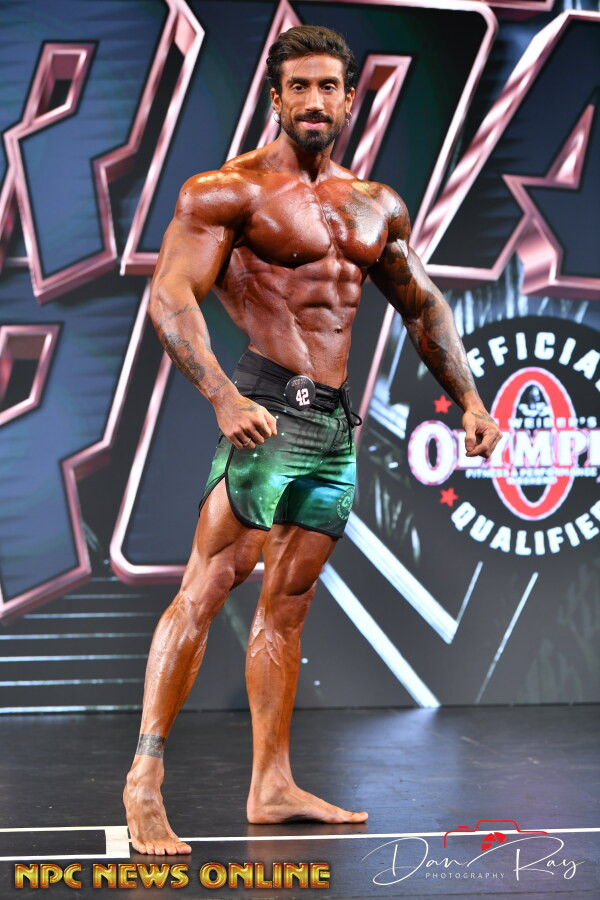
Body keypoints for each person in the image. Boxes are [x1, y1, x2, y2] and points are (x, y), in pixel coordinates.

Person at [123, 24, 502, 855]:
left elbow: (423, 304)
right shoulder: (227, 191)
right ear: (276, 98)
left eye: (328, 86)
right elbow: (171, 296)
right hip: (263, 407)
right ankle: (144, 778)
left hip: (332, 426)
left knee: (288, 607)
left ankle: (272, 784)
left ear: (349, 97)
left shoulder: (374, 204)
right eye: (299, 87)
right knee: (208, 584)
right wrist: (221, 396)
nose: (314, 101)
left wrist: (470, 400)